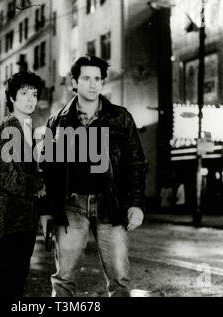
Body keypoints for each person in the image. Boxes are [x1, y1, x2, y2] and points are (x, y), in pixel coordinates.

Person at [39, 55, 148, 297]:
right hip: (71, 207)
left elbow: (136, 163)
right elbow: (46, 169)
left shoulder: (120, 118)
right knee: (64, 279)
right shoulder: (57, 121)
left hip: (111, 205)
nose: (92, 84)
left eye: (97, 79)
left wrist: (137, 204)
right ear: (74, 83)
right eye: (86, 78)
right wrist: (46, 210)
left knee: (119, 279)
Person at [0, 71, 46, 297]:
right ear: (12, 98)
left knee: (17, 281)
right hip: (12, 220)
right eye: (24, 93)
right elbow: (7, 176)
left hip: (25, 220)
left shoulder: (27, 128)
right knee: (9, 283)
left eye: (34, 93)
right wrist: (38, 186)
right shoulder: (9, 127)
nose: (30, 99)